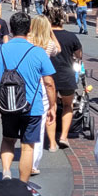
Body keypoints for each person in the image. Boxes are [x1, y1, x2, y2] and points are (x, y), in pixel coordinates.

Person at [0, 12, 56, 183]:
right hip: (32, 106)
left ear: (10, 29)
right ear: (29, 29)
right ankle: (23, 185)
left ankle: (6, 172)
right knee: (27, 146)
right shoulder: (38, 52)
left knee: (8, 140)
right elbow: (49, 83)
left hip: (7, 104)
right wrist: (52, 105)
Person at [27, 15, 60, 175]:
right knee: (39, 123)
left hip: (26, 82)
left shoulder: (27, 40)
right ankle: (33, 162)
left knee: (25, 120)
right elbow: (58, 50)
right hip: (42, 84)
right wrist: (51, 33)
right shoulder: (49, 44)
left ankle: (27, 154)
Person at [48, 6, 82, 149]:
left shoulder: (47, 37)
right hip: (67, 75)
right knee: (68, 105)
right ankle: (63, 136)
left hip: (49, 76)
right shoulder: (71, 36)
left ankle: (51, 143)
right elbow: (79, 55)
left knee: (51, 106)